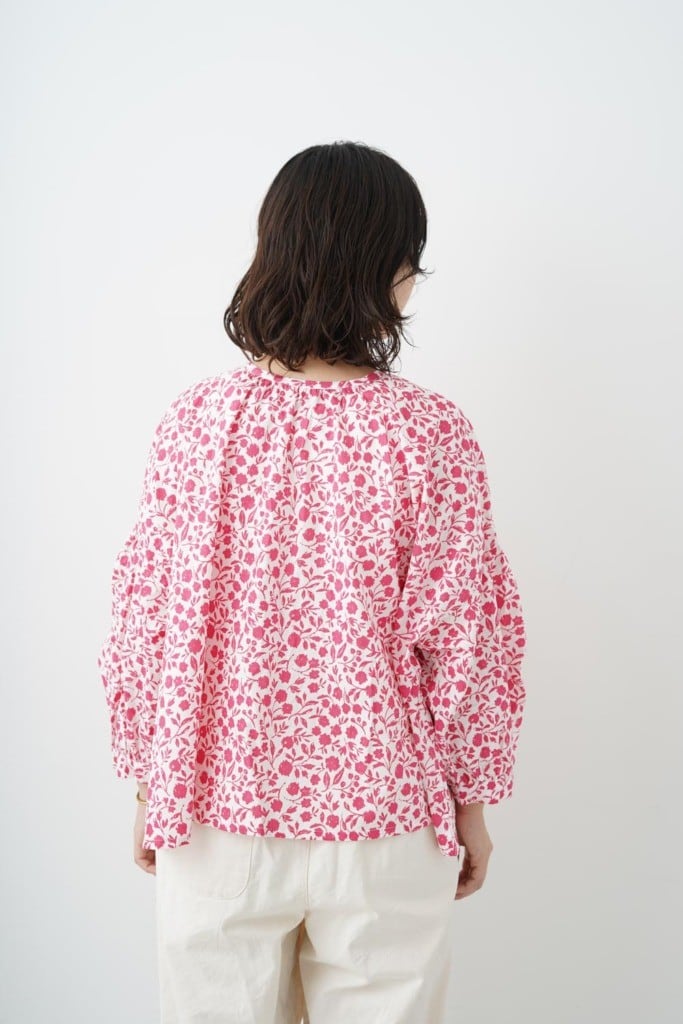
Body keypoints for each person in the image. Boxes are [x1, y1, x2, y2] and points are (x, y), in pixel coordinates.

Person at [97, 140, 527, 1024]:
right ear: (385, 266)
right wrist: (470, 803)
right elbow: (469, 637)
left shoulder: (198, 423)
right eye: (409, 256)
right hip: (384, 821)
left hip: (217, 814)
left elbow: (143, 621)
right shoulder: (428, 432)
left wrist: (149, 782)